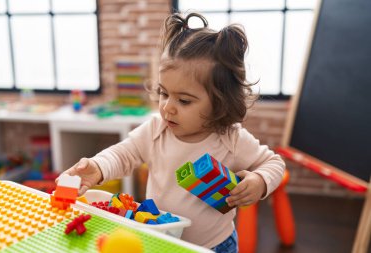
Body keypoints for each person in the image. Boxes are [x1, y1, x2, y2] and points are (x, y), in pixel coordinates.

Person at [57, 12, 285, 253]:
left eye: (184, 101)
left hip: (215, 245)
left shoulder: (231, 138)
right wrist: (98, 168)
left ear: (220, 102)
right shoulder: (156, 130)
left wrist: (260, 181)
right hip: (161, 241)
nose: (167, 107)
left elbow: (273, 162)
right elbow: (123, 154)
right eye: (164, 93)